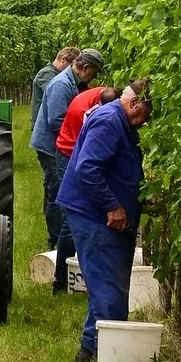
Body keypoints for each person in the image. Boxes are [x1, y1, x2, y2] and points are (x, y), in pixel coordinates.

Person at [55, 79, 153, 362]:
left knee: (108, 286)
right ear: (135, 103)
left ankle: (94, 351)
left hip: (99, 215)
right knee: (107, 288)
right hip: (93, 215)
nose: (145, 122)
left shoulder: (118, 120)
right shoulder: (110, 121)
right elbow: (87, 168)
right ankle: (101, 357)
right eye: (146, 114)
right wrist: (113, 206)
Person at [30, 48, 104, 254]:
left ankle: (59, 240)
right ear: (85, 68)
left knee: (59, 190)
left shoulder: (72, 83)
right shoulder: (61, 85)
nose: (94, 77)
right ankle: (55, 242)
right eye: (94, 72)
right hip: (50, 146)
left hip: (57, 144)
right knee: (57, 192)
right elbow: (57, 121)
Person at [50, 84, 118, 292]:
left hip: (81, 157)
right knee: (71, 219)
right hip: (70, 155)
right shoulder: (90, 116)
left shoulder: (102, 97)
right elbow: (88, 161)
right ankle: (61, 280)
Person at [31, 47, 81, 135]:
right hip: (46, 128)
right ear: (63, 59)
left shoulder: (58, 75)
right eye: (72, 65)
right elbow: (56, 96)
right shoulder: (46, 74)